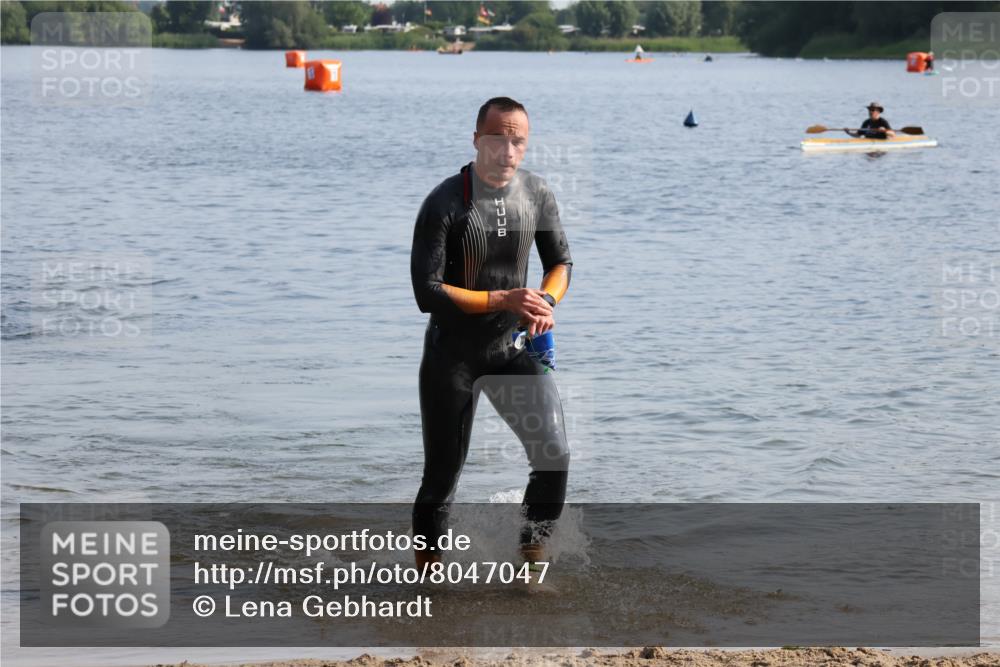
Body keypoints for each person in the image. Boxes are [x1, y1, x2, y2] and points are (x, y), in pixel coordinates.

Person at [410, 97, 573, 571]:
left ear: (525, 145)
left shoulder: (537, 194)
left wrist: (546, 301)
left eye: (517, 140)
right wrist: (505, 300)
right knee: (442, 477)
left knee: (555, 456)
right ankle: (428, 581)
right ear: (477, 139)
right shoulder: (444, 202)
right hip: (452, 357)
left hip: (512, 349)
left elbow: (561, 263)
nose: (507, 149)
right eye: (497, 138)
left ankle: (530, 561)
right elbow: (428, 292)